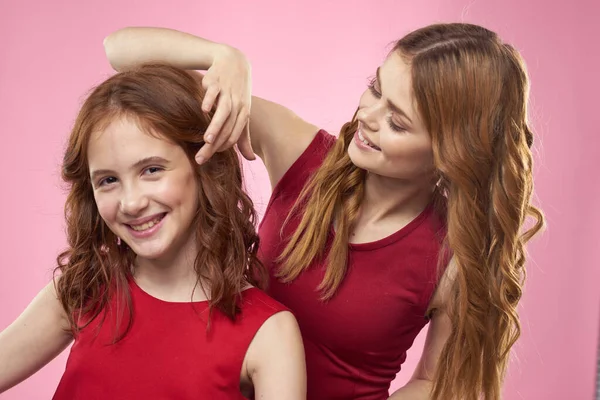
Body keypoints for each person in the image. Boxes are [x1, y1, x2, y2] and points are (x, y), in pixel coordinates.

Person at [103, 22, 545, 400]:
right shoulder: (302, 155)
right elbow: (120, 51)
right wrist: (222, 56)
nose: (369, 116)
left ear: (451, 153)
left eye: (398, 122)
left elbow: (439, 381)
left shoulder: (451, 258)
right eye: (375, 88)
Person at [0, 64, 306, 400]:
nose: (130, 203)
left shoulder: (270, 333)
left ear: (203, 166)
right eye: (108, 180)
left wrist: (225, 59)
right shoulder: (83, 288)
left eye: (151, 170)